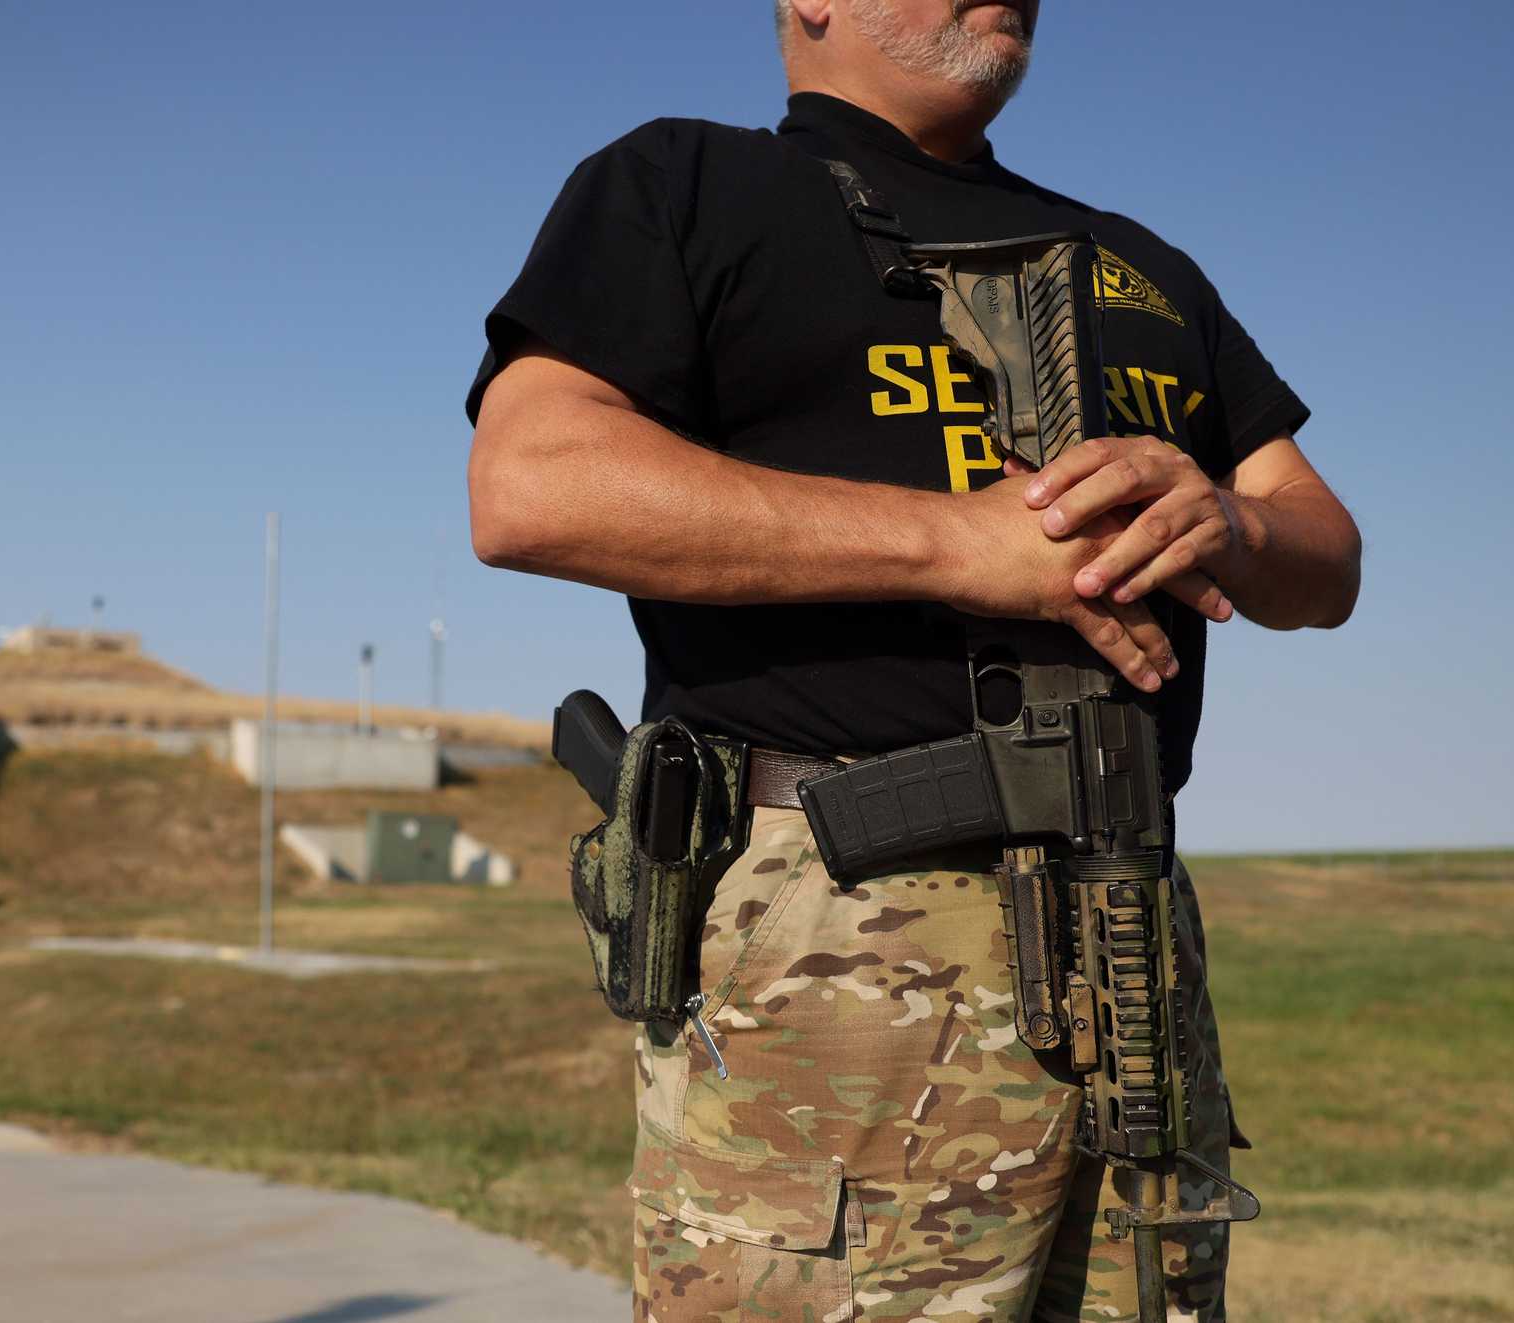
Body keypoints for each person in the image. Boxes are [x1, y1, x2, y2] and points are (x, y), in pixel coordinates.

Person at [466, 3, 1361, 1318]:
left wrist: (1229, 519)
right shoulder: (688, 184)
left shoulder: (1136, 264)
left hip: (1127, 926)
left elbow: (1326, 559)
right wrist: (961, 548)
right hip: (840, 932)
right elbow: (532, 487)